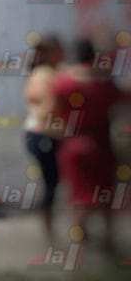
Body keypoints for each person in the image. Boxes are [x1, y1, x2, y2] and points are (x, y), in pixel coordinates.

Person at [53, 38, 122, 251]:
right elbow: (121, 101)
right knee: (106, 196)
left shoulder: (64, 84)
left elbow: (54, 112)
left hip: (74, 145)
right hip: (102, 146)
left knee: (80, 197)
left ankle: (79, 240)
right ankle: (109, 240)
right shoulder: (104, 85)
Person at [23, 35, 65, 240]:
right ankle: (49, 232)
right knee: (51, 182)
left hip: (47, 134)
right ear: (50, 53)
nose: (63, 53)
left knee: (55, 182)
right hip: (43, 135)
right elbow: (46, 108)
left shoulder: (52, 72)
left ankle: (53, 229)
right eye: (59, 50)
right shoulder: (43, 75)